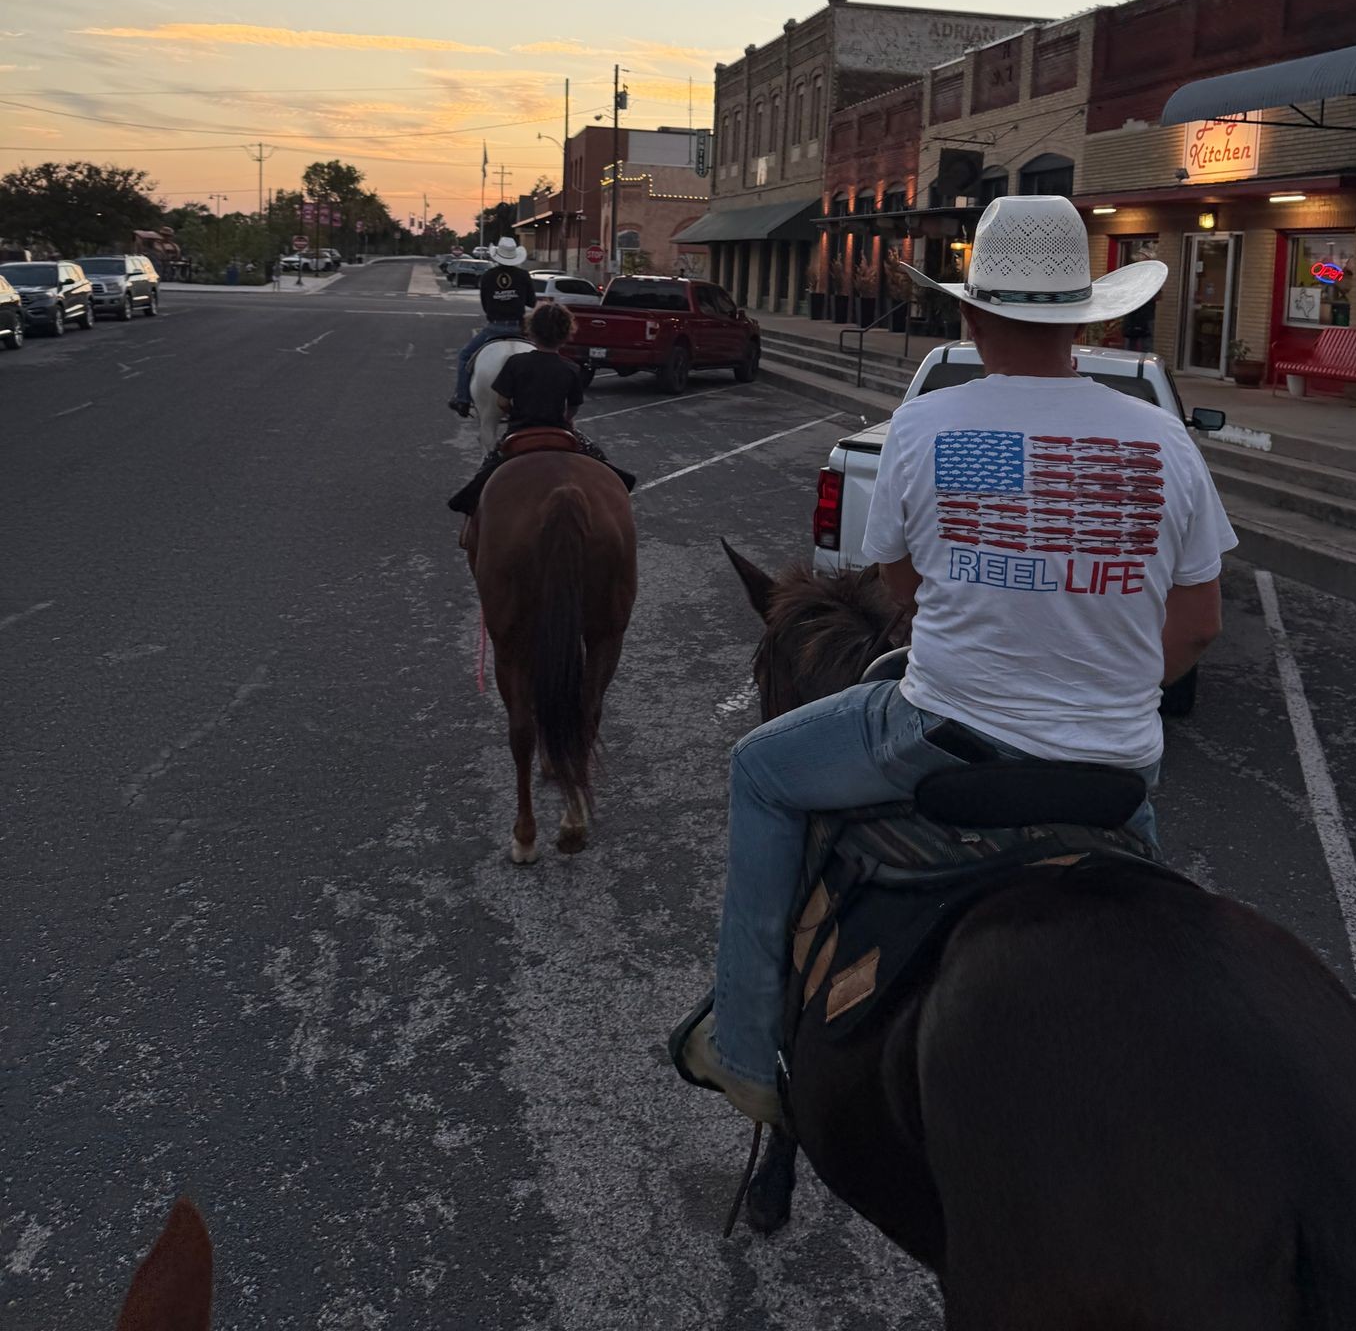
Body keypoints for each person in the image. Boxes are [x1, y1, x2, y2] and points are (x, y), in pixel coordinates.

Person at [671, 196, 1236, 1127]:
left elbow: (903, 588)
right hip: (1116, 764)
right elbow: (1201, 623)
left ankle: (741, 1050)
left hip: (944, 733)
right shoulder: (1164, 439)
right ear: (1088, 321)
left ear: (969, 315)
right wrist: (1101, 695)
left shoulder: (924, 424)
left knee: (760, 772)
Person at [447, 301, 634, 514]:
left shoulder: (515, 363)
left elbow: (502, 402)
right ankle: (620, 486)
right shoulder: (571, 368)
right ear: (566, 335)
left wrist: (514, 412)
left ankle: (469, 508)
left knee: (486, 470)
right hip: (559, 430)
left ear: (531, 332)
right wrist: (566, 418)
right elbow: (573, 408)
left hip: (520, 430)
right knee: (600, 458)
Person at [449, 237, 536, 415]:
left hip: (494, 328)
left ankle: (462, 399)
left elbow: (485, 305)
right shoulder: (523, 275)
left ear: (498, 256)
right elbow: (532, 302)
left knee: (465, 356)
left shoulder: (488, 276)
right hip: (518, 328)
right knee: (544, 356)